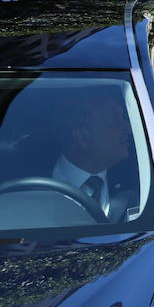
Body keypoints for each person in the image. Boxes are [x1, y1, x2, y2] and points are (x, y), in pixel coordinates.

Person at [52, 93, 134, 221]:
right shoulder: (28, 188)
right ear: (83, 137)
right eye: (116, 120)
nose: (128, 127)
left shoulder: (140, 180)